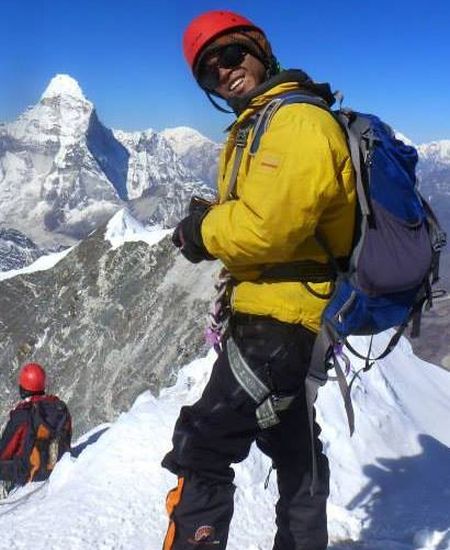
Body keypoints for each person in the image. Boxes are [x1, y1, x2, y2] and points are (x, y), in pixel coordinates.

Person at [162, 10, 356, 550]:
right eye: (208, 71)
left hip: (280, 319)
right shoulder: (266, 120)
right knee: (292, 445)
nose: (223, 72)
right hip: (284, 314)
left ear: (260, 48)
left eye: (230, 54)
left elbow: (268, 229)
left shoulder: (296, 122)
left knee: (203, 444)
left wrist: (202, 230)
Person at [0, 362, 72, 494]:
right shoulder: (60, 407)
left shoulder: (22, 414)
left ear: (23, 388)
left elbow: (4, 452)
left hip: (30, 471)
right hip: (58, 465)